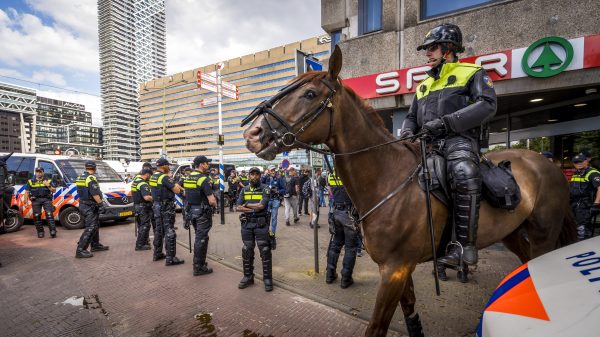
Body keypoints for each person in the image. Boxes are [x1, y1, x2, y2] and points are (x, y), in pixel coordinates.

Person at [401, 23, 497, 267]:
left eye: (432, 48)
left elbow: (487, 104)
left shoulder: (473, 72)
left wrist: (446, 123)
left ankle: (464, 248)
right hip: (428, 145)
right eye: (427, 49)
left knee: (464, 172)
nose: (427, 54)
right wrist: (407, 131)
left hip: (459, 140)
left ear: (449, 49)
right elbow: (412, 116)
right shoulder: (423, 85)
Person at [236, 167, 273, 292]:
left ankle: (267, 278)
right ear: (248, 176)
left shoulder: (265, 188)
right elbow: (237, 207)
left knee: (265, 250)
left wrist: (246, 205)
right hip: (247, 224)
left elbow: (262, 205)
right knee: (247, 250)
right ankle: (248, 276)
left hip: (261, 224)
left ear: (260, 176)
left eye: (257, 174)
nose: (254, 176)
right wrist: (253, 208)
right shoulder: (244, 190)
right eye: (252, 174)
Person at [183, 156, 218, 275]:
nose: (208, 165)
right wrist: (215, 204)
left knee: (199, 237)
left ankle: (200, 262)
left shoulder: (188, 177)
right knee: (201, 239)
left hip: (191, 212)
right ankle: (198, 267)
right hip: (202, 213)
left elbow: (185, 193)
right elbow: (211, 200)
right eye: (207, 163)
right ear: (201, 165)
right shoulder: (203, 179)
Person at [326, 170, 358, 289]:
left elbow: (330, 190)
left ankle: (329, 275)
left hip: (336, 212)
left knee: (335, 245)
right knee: (350, 247)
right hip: (349, 215)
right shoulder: (350, 171)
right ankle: (346, 279)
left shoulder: (331, 173)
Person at [149, 158, 184, 265]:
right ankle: (170, 258)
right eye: (167, 165)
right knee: (169, 231)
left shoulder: (153, 176)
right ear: (164, 166)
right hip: (166, 207)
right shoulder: (164, 177)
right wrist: (171, 179)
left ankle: (157, 253)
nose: (169, 167)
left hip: (156, 206)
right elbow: (177, 190)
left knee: (159, 231)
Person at [75, 161, 109, 258]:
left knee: (95, 225)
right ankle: (80, 250)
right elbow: (94, 193)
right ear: (94, 168)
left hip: (83, 204)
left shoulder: (80, 177)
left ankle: (95, 245)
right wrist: (101, 204)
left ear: (86, 168)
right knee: (91, 227)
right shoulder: (91, 178)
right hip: (90, 206)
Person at [570, 153, 600, 240]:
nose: (578, 163)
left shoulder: (593, 173)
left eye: (581, 161)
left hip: (586, 205)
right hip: (575, 204)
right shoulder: (576, 173)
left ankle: (584, 246)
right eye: (576, 162)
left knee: (583, 230)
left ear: (586, 161)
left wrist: (596, 204)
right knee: (576, 227)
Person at [25, 167, 57, 238]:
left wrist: (48, 185)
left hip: (47, 199)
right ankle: (40, 232)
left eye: (40, 172)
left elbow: (54, 190)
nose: (38, 173)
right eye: (37, 172)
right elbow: (27, 192)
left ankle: (53, 231)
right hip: (36, 200)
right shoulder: (31, 181)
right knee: (36, 216)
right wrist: (25, 202)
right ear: (35, 172)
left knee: (49, 215)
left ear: (43, 172)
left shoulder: (48, 180)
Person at [261, 164, 286, 249]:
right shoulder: (266, 178)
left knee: (274, 217)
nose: (273, 171)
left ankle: (273, 234)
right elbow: (260, 184)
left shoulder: (279, 178)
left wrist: (278, 191)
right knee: (267, 217)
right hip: (268, 200)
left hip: (275, 200)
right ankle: (266, 233)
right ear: (268, 170)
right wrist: (264, 175)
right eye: (271, 170)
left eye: (273, 170)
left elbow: (284, 189)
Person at [132, 168, 153, 251]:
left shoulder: (135, 181)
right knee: (144, 226)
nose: (150, 177)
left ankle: (142, 242)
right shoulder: (143, 184)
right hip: (143, 207)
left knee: (141, 225)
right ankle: (140, 244)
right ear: (147, 174)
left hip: (137, 206)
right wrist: (155, 198)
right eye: (150, 176)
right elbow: (147, 197)